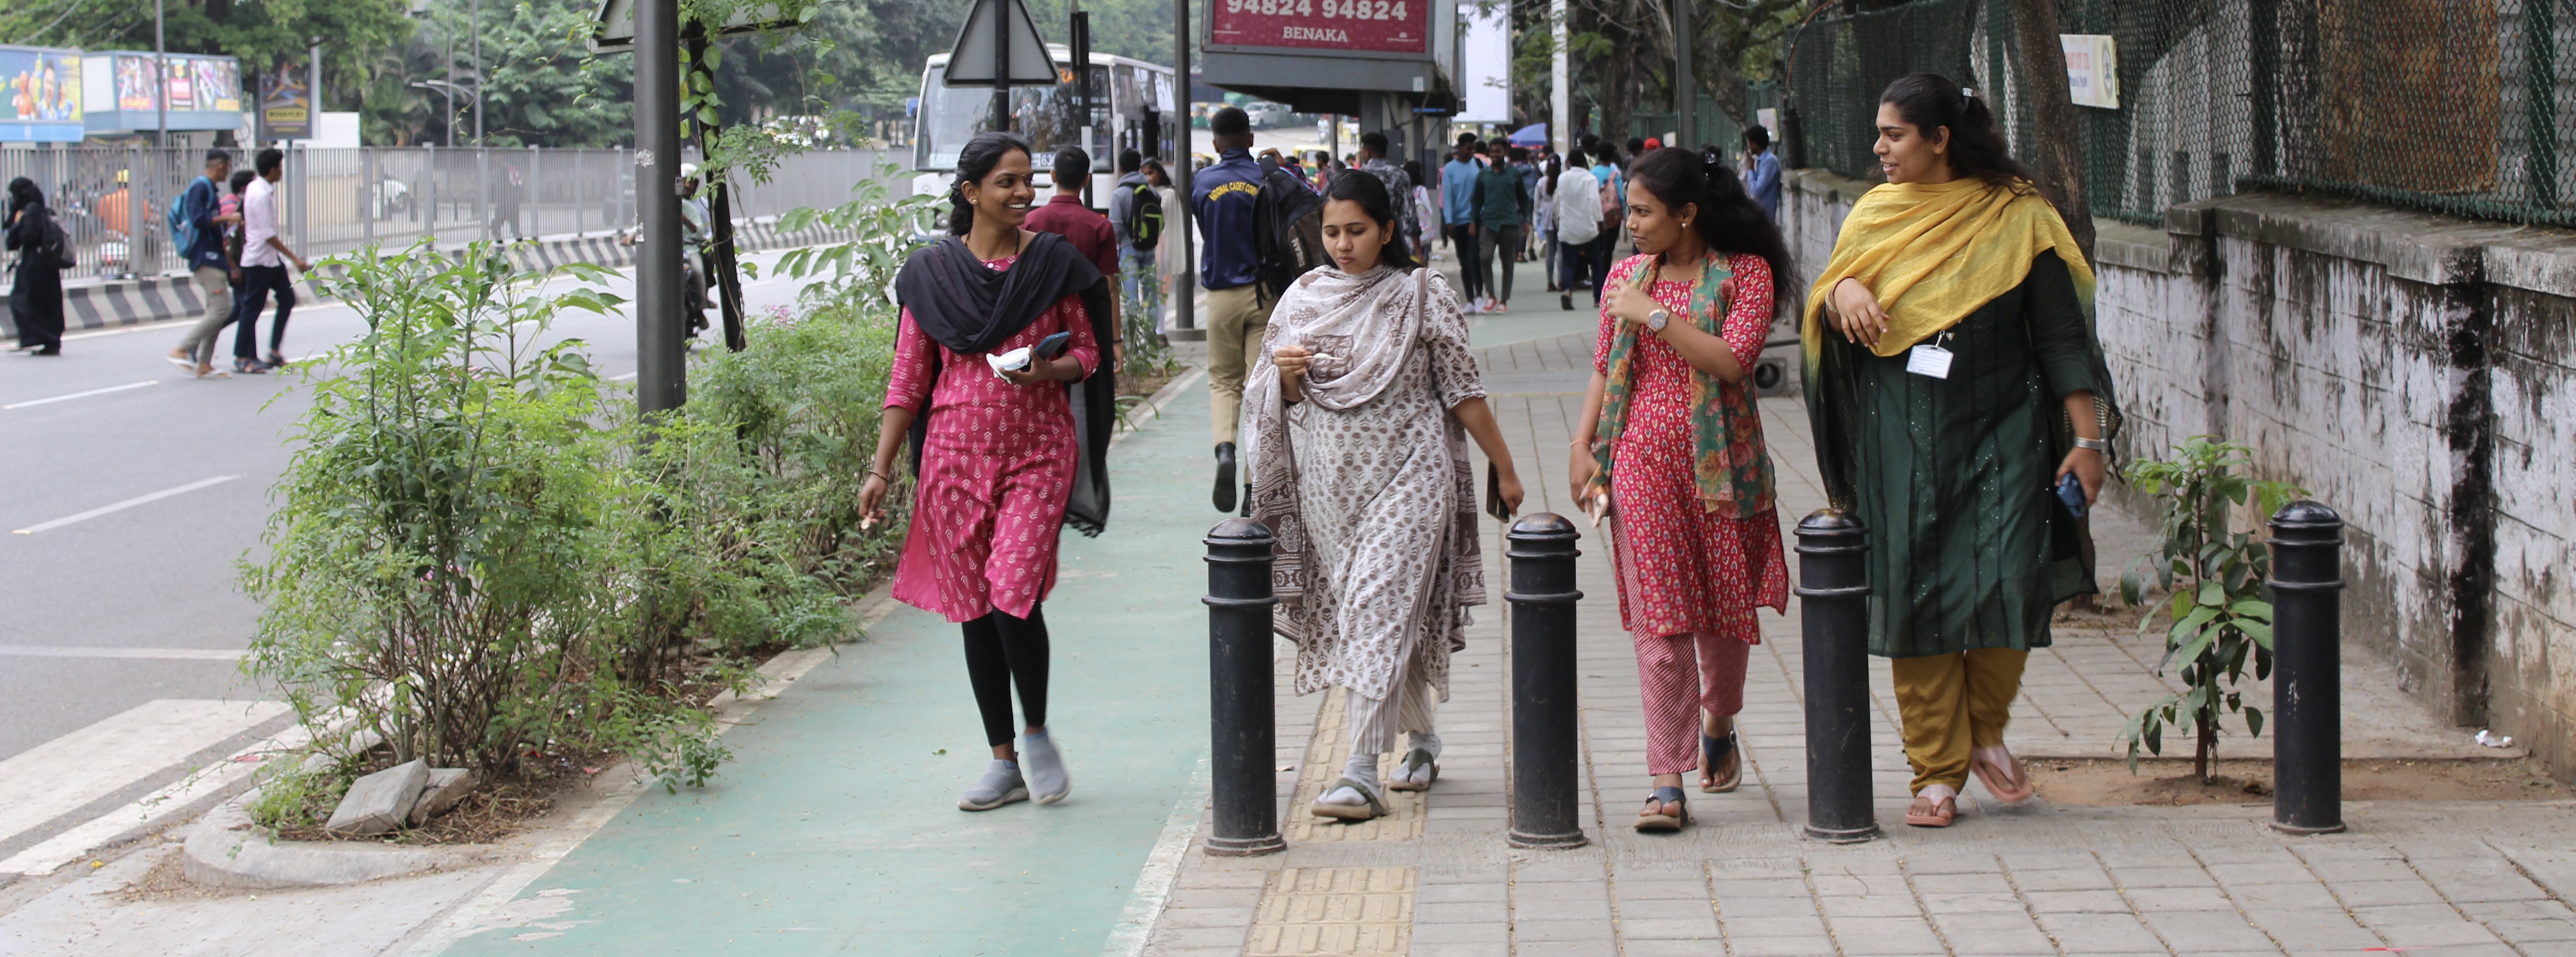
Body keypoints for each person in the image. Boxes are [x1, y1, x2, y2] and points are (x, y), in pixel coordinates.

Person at [1802, 74, 2122, 829]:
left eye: (1895, 134)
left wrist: (2087, 439)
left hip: (2006, 429)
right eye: (1880, 133)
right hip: (1900, 434)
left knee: (2011, 577)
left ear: (1941, 139)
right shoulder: (1876, 215)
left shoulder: (2019, 216)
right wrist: (1843, 291)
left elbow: (2062, 337)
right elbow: (1829, 300)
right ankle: (1936, 772)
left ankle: (1984, 729)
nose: (1880, 148)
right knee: (1915, 591)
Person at [1243, 171, 1526, 822]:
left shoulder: (1422, 294)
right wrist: (1285, 380)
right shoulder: (1303, 297)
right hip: (1329, 489)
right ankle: (1423, 740)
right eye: (1332, 232)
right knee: (1379, 615)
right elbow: (1281, 399)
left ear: (1388, 230)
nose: (1343, 244)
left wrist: (1505, 468)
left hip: (1411, 478)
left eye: (1357, 231)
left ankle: (1360, 771)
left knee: (1375, 607)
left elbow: (1464, 391)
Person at [862, 131, 1117, 813]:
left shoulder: (1053, 265)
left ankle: (1037, 731)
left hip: (1039, 455)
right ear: (971, 192)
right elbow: (908, 378)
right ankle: (1002, 761)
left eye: (1028, 179)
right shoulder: (931, 275)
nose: (1024, 192)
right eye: (1008, 181)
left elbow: (1089, 353)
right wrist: (881, 469)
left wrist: (1050, 370)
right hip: (951, 461)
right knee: (975, 607)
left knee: (1012, 590)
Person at [1569, 147, 1794, 833]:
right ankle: (1666, 779)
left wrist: (1655, 315)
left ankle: (1718, 721)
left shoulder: (1745, 274)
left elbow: (1733, 361)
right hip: (1641, 467)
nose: (1630, 222)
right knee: (1663, 623)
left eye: (1643, 211)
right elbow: (1605, 367)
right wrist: (1583, 444)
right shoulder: (1625, 278)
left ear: (1688, 213)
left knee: (1723, 619)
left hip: (1725, 469)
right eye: (1630, 210)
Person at [1193, 107, 1273, 513]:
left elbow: (1206, 228)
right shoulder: (1267, 179)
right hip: (1264, 294)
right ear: (1251, 139)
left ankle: (1225, 447)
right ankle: (1252, 487)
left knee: (1225, 381)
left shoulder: (1203, 181)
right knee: (1261, 389)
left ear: (1216, 144)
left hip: (1221, 295)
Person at [1024, 147, 1123, 367]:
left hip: (1039, 325)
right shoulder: (1100, 226)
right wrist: (1116, 341)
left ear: (1053, 176)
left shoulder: (1029, 223)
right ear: (1087, 180)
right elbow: (1110, 288)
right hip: (1090, 325)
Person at [234, 148, 310, 375]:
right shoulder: (262, 194)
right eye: (280, 167)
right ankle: (242, 357)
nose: (281, 172)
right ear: (272, 169)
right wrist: (294, 258)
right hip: (259, 259)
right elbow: (268, 234)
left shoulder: (255, 187)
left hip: (270, 259)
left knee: (287, 299)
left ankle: (274, 351)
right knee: (251, 309)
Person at [167, 150, 241, 376]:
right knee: (222, 308)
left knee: (217, 310)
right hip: (205, 256)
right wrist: (229, 218)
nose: (228, 173)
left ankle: (204, 363)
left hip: (214, 256)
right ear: (221, 166)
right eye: (227, 168)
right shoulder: (200, 187)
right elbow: (199, 219)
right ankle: (183, 348)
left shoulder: (209, 189)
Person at [6, 178, 66, 356]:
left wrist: (18, 223)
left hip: (34, 264)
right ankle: (50, 341)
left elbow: (28, 236)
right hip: (45, 264)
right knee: (46, 302)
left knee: (23, 300)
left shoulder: (31, 210)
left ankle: (35, 338)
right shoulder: (40, 209)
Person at [1108, 148, 1163, 334]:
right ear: (1139, 166)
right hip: (1149, 248)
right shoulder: (1153, 192)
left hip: (1128, 248)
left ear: (1121, 167)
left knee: (1130, 298)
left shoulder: (1119, 194)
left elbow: (1115, 227)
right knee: (1150, 295)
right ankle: (1151, 336)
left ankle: (1132, 340)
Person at [1469, 147, 1530, 312]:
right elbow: (1477, 200)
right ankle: (1491, 295)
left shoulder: (1514, 174)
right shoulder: (1483, 175)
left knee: (1508, 263)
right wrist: (1473, 220)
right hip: (1488, 223)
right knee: (1485, 257)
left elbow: (1524, 199)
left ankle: (1504, 300)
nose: (1495, 155)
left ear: (1505, 154)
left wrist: (1527, 219)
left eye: (1499, 152)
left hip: (1509, 223)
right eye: (1493, 152)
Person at [1554, 147, 1603, 312]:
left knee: (1568, 263)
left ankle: (1567, 291)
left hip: (1568, 228)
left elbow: (1559, 200)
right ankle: (1598, 298)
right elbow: (1594, 201)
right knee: (1595, 264)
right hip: (1588, 229)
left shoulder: (1562, 178)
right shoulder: (1590, 179)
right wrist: (1599, 222)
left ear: (1568, 163)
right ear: (1585, 162)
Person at [1355, 131, 1418, 259]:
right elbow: (1410, 215)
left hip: (1364, 241)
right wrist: (1418, 250)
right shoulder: (1400, 175)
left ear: (1367, 152)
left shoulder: (1358, 177)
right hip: (1395, 241)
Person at [1743, 125, 1782, 219]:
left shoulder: (1769, 162)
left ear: (1754, 144)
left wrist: (1750, 169)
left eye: (1749, 144)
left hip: (1764, 218)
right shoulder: (1761, 161)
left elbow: (1756, 191)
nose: (1748, 147)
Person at [1535, 153, 1560, 293]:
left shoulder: (1542, 182)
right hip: (1561, 215)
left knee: (1550, 249)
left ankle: (1550, 282)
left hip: (1547, 215)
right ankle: (1561, 280)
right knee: (1561, 250)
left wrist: (1540, 213)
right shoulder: (1562, 180)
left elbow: (1537, 203)